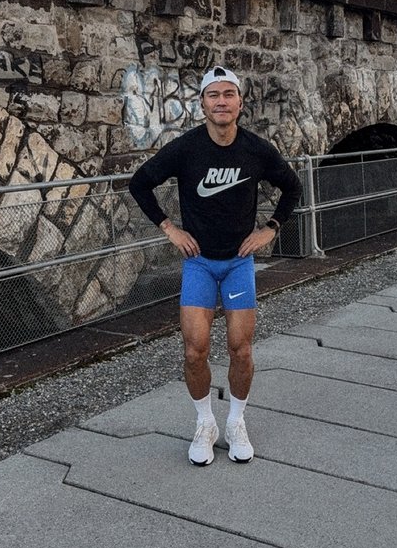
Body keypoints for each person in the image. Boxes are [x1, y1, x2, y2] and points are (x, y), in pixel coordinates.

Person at [128, 66, 302, 466]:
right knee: (194, 351)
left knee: (241, 350)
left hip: (239, 263)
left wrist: (270, 229)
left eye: (228, 94)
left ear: (240, 103)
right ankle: (205, 423)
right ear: (202, 103)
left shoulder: (256, 150)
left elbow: (292, 187)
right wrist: (168, 227)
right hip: (200, 264)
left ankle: (236, 422)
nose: (221, 101)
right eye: (213, 95)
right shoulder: (186, 148)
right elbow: (140, 182)